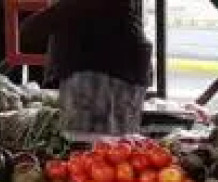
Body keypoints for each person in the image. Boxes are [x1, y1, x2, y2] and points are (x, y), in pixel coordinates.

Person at [17, 0, 153, 140]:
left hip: (102, 69)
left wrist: (32, 26)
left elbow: (75, 6)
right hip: (117, 64)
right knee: (116, 142)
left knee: (92, 141)